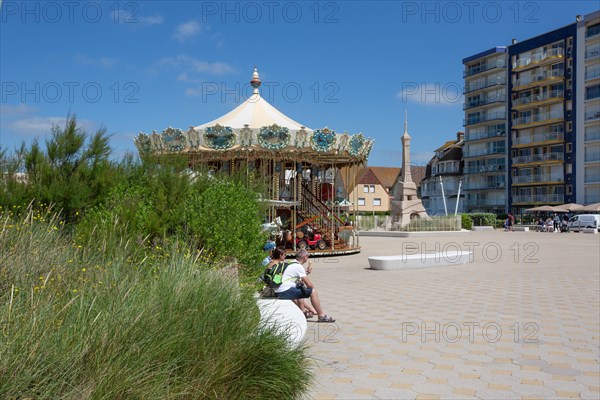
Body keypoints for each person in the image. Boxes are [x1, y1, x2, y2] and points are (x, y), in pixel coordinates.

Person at [272, 248, 335, 323]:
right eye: (307, 256)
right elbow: (309, 284)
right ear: (305, 257)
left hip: (279, 289)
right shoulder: (299, 266)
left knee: (300, 288)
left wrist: (306, 273)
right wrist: (314, 293)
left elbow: (298, 280)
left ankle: (303, 311)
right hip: (284, 291)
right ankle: (321, 315)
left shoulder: (291, 262)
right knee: (313, 292)